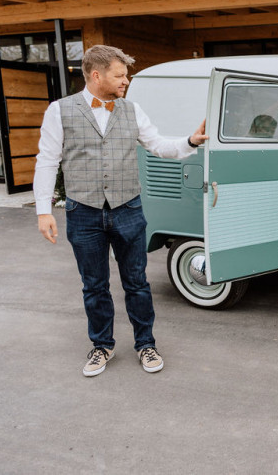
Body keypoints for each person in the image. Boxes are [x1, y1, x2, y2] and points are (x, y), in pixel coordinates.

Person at [34, 45, 208, 377]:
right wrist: (44, 210)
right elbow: (47, 160)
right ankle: (102, 346)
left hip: (128, 209)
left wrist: (191, 141)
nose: (125, 80)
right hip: (83, 213)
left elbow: (158, 145)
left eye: (125, 75)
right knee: (94, 285)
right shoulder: (59, 110)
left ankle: (146, 344)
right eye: (120, 74)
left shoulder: (133, 110)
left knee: (137, 283)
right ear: (96, 75)